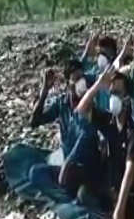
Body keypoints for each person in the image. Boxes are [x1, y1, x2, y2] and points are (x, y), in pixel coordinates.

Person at [71, 67, 134, 219]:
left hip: (130, 194)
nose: (113, 98)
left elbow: (130, 172)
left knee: (130, 211)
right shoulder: (109, 120)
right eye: (111, 93)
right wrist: (98, 85)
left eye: (117, 93)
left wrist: (119, 210)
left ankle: (114, 218)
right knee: (84, 193)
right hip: (112, 188)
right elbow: (80, 111)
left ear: (127, 98)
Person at [21, 59, 96, 205]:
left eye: (82, 79)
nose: (80, 84)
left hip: (84, 167)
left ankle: (69, 196)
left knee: (81, 189)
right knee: (35, 173)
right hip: (66, 164)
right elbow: (35, 122)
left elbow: (85, 137)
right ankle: (65, 196)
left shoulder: (89, 106)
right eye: (76, 80)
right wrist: (44, 92)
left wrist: (68, 164)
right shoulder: (62, 103)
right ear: (68, 83)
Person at [80, 33, 118, 110]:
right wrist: (87, 50)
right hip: (99, 114)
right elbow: (79, 70)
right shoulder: (95, 70)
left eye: (104, 54)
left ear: (113, 53)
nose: (101, 57)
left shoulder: (118, 70)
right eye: (100, 54)